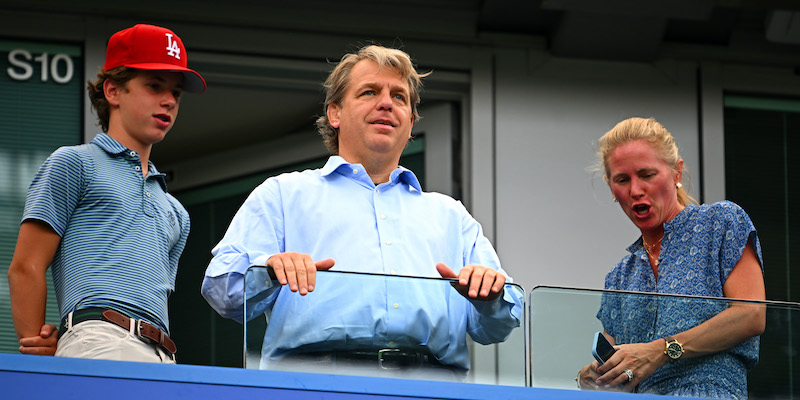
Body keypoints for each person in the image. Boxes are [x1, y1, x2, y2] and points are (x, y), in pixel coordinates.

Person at [202, 44, 522, 380]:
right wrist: (267, 270)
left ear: (410, 122)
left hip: (432, 387)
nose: (386, 103)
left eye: (399, 97)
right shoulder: (283, 195)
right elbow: (221, 291)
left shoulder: (451, 216)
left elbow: (500, 325)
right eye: (369, 92)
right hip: (314, 386)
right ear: (335, 114)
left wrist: (491, 295)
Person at [7, 24, 206, 363]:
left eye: (176, 93)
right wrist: (34, 347)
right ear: (113, 91)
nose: (169, 100)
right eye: (154, 86)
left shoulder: (176, 211)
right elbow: (26, 265)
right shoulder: (75, 163)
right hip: (97, 340)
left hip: (163, 354)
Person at [577, 117, 766, 399]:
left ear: (676, 173)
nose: (635, 190)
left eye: (647, 175)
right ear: (611, 187)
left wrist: (662, 350)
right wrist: (591, 376)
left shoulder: (721, 223)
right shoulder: (618, 277)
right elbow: (619, 369)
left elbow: (751, 314)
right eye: (622, 180)